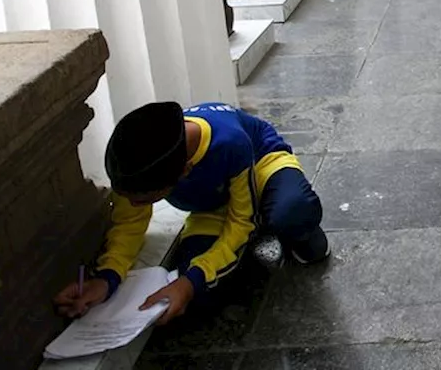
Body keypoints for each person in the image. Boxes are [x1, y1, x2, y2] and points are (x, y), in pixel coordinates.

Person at [53, 102, 328, 326]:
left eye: (147, 201)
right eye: (129, 199)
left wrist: (193, 279)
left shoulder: (230, 143)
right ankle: (254, 234)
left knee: (292, 213)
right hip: (212, 205)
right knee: (197, 295)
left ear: (185, 173)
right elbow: (128, 224)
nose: (137, 206)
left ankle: (286, 225)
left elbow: (241, 219)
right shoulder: (136, 161)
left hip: (260, 170)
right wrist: (106, 278)